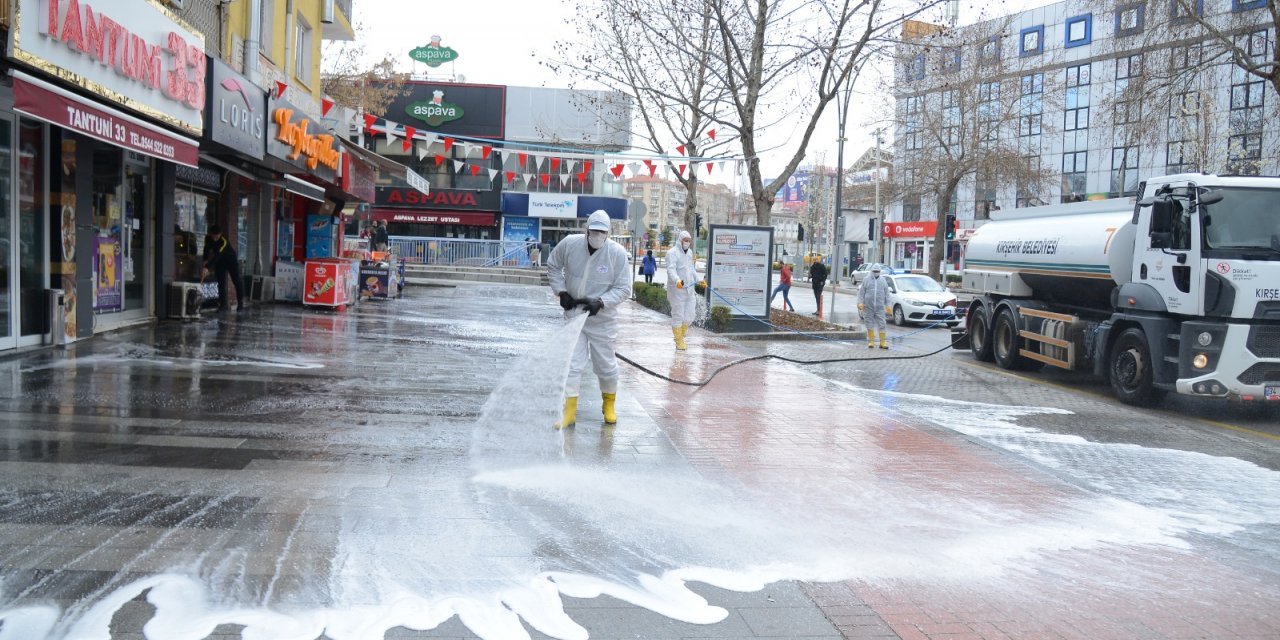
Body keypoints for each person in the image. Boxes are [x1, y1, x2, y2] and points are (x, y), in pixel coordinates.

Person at [547, 210, 633, 429]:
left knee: (605, 365)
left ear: (608, 233)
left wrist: (602, 302)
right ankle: (569, 412)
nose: (597, 235)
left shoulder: (617, 253)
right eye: (594, 231)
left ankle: (609, 404)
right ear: (586, 230)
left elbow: (624, 288)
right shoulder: (570, 244)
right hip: (575, 315)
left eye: (602, 232)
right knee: (572, 364)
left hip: (602, 321)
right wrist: (561, 291)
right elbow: (553, 265)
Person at [666, 230, 699, 350]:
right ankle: (678, 340)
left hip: (689, 289)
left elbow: (691, 269)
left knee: (690, 315)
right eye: (685, 240)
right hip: (677, 290)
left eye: (689, 241)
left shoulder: (689, 253)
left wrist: (699, 280)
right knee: (678, 315)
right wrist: (677, 280)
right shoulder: (672, 253)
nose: (687, 242)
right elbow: (671, 269)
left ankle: (681, 335)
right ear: (680, 240)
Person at [202, 224, 244, 312]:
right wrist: (205, 262)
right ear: (211, 234)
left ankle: (240, 303)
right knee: (221, 282)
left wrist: (207, 267)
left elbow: (218, 255)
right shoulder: (208, 239)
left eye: (217, 236)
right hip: (220, 262)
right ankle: (223, 305)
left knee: (236, 280)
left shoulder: (223, 241)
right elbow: (206, 249)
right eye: (213, 236)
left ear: (220, 234)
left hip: (230, 260)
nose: (215, 238)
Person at [858, 264, 890, 349]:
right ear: (871, 271)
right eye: (875, 271)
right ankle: (871, 341)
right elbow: (861, 293)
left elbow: (887, 294)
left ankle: (882, 342)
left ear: (880, 271)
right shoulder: (866, 280)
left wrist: (888, 305)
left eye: (878, 271)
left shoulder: (883, 280)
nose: (876, 273)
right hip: (868, 306)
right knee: (869, 323)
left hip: (880, 307)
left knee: (882, 324)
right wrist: (860, 303)